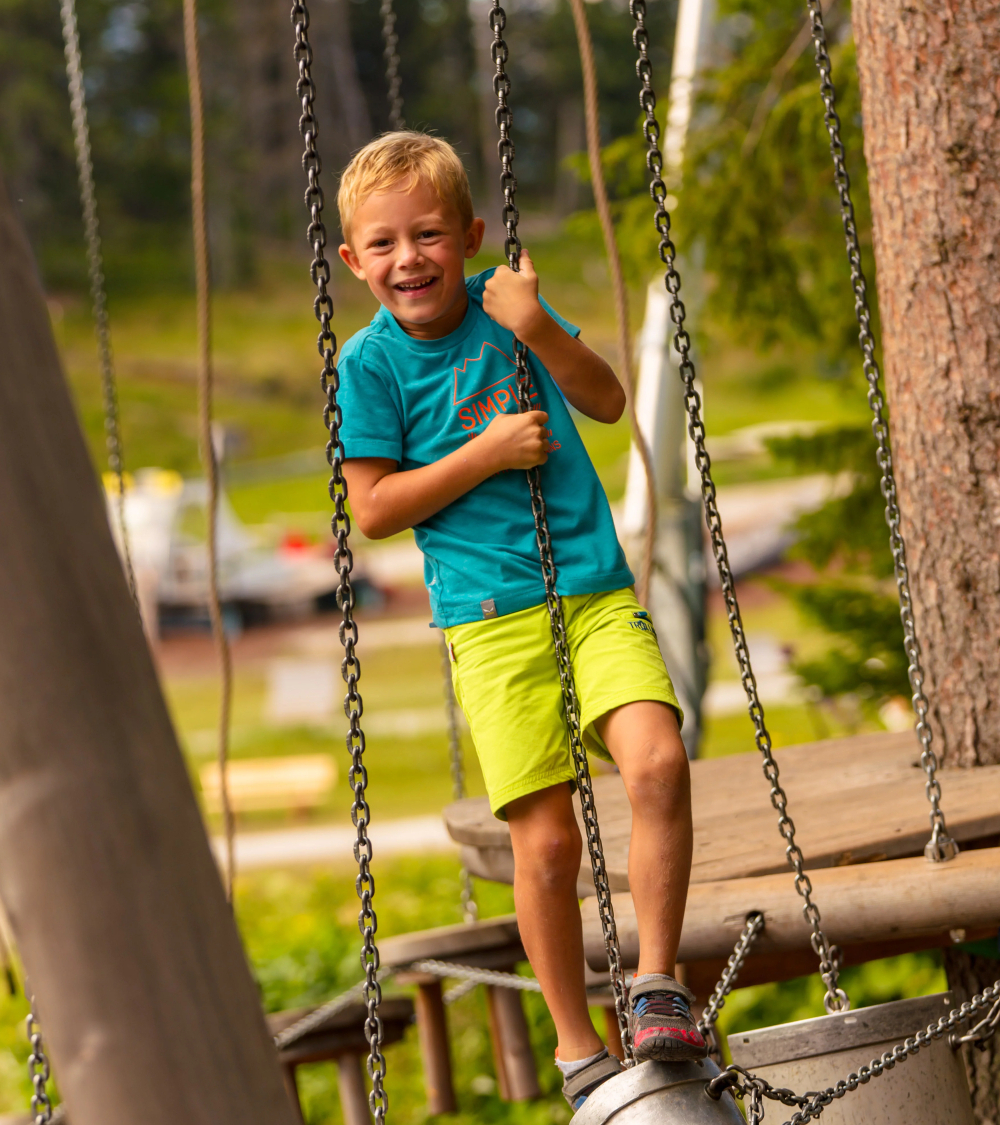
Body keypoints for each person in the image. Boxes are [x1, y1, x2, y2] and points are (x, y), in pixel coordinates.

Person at [334, 131, 703, 1108]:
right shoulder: (366, 366)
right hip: (489, 622)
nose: (406, 259)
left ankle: (657, 986)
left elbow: (608, 400)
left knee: (657, 765)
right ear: (351, 261)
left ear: (468, 234)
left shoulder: (511, 310)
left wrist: (537, 327)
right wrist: (486, 452)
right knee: (544, 846)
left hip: (587, 589)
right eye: (381, 245)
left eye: (426, 236)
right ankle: (577, 1044)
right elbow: (371, 509)